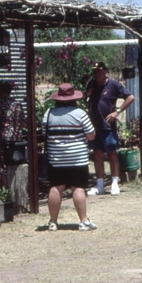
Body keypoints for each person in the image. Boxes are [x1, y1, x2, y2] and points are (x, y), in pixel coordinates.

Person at [41, 83, 97, 232]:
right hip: (78, 158)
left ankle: (53, 222)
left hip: (56, 158)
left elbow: (44, 132)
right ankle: (83, 221)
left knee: (56, 187)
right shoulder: (80, 113)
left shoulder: (49, 113)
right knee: (78, 188)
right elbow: (91, 135)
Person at [84, 61, 135, 196]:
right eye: (94, 72)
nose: (97, 74)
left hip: (107, 126)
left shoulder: (113, 85)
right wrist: (86, 94)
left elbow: (130, 97)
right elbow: (85, 99)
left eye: (99, 71)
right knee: (97, 154)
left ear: (105, 71)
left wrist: (117, 111)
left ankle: (114, 183)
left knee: (112, 153)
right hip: (94, 125)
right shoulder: (92, 84)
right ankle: (100, 185)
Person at [0, 80, 27, 189]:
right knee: (14, 164)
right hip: (16, 140)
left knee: (2, 166)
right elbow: (23, 123)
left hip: (0, 140)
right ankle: (16, 191)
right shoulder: (17, 105)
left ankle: (5, 193)